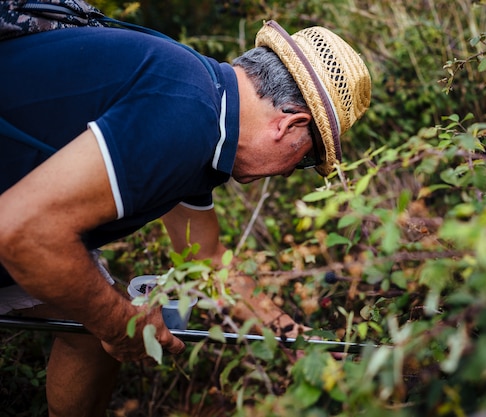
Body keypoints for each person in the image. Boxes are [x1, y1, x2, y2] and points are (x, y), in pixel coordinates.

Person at [0, 16, 371, 417]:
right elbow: (23, 233)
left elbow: (208, 262)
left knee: (88, 332)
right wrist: (118, 322)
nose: (288, 172)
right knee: (102, 320)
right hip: (19, 226)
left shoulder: (201, 103)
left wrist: (297, 342)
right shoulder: (185, 115)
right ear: (290, 124)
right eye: (308, 158)